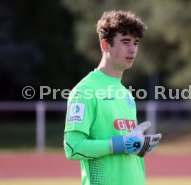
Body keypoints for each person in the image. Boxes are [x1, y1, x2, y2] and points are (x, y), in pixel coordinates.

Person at [63, 10, 162, 185]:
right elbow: (73, 148)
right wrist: (121, 144)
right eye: (125, 42)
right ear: (105, 45)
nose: (132, 49)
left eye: (136, 42)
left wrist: (138, 147)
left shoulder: (125, 93)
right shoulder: (85, 90)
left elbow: (123, 145)